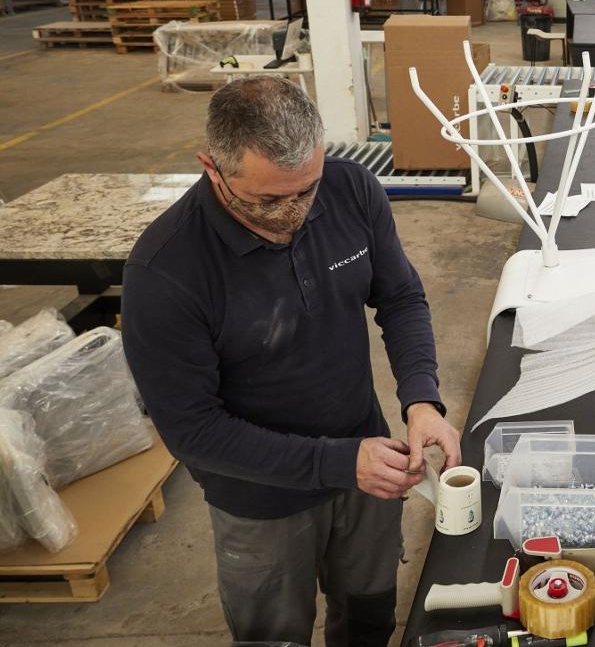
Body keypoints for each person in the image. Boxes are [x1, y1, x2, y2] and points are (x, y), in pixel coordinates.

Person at [121, 77, 460, 647]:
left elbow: (400, 296)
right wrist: (336, 462)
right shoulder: (165, 272)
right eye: (267, 200)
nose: (295, 213)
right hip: (260, 500)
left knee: (369, 617)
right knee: (272, 634)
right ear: (212, 166)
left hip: (371, 463)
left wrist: (421, 398)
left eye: (306, 190)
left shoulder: (351, 189)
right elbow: (192, 432)